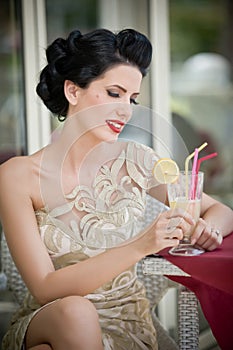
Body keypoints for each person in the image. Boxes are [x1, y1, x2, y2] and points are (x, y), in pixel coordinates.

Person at [0, 28, 232, 350]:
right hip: (54, 317)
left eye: (132, 99)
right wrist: (140, 244)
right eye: (114, 93)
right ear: (72, 91)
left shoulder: (135, 161)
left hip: (126, 324)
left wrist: (207, 229)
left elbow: (221, 211)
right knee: (75, 313)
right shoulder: (17, 176)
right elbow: (45, 289)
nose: (126, 110)